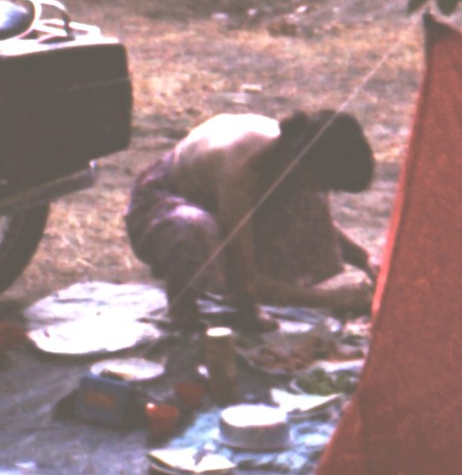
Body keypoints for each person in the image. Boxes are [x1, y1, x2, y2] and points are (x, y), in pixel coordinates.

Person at [125, 109, 377, 330]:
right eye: (325, 182)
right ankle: (182, 301)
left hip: (217, 197)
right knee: (196, 230)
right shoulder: (241, 172)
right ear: (302, 165)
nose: (325, 190)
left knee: (309, 202)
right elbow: (245, 281)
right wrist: (333, 299)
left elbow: (319, 225)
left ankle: (246, 309)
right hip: (163, 201)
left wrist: (367, 259)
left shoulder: (294, 151)